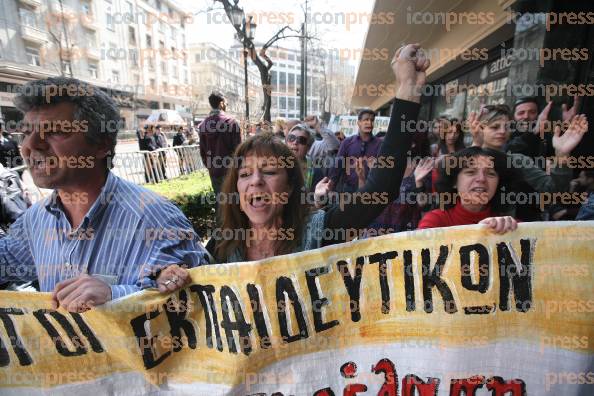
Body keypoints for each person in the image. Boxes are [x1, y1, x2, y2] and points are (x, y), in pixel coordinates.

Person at [157, 43, 431, 291]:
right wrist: (167, 275)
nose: (255, 181)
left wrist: (408, 88)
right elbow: (189, 286)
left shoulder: (319, 231)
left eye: (269, 171)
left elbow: (381, 189)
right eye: (245, 174)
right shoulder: (223, 244)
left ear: (288, 188)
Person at [0, 77, 208, 312]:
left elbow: (198, 303)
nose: (32, 144)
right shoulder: (35, 220)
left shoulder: (156, 219)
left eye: (55, 131)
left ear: (101, 144)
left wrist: (115, 296)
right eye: (25, 133)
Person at [418, 146, 518, 233]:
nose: (481, 179)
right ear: (454, 182)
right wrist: (477, 233)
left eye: (491, 173)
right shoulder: (435, 221)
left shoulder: (508, 225)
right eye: (471, 172)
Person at [506, 95, 582, 160]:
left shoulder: (545, 136)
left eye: (532, 112)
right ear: (513, 117)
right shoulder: (505, 134)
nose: (526, 116)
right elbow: (508, 151)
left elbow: (559, 155)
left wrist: (566, 128)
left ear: (538, 115)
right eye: (521, 113)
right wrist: (534, 131)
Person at [198, 91, 242, 196]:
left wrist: (210, 166)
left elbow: (202, 151)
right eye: (226, 103)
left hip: (214, 171)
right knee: (234, 204)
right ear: (221, 103)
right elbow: (239, 150)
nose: (226, 105)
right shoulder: (231, 122)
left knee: (220, 202)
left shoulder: (203, 125)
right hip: (230, 171)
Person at [329, 108, 382, 193]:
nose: (369, 123)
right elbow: (337, 166)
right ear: (359, 123)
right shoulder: (347, 142)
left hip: (370, 190)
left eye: (372, 120)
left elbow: (384, 169)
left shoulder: (380, 144)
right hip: (348, 189)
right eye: (366, 120)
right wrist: (331, 188)